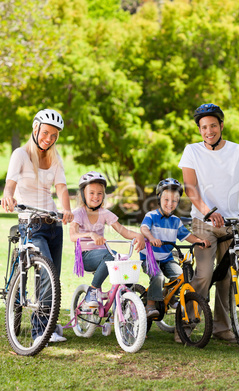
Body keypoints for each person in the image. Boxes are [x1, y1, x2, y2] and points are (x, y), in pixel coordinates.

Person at [178, 103, 239, 342]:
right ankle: (186, 324)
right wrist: (208, 212)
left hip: (231, 225)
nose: (209, 131)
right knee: (205, 274)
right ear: (199, 130)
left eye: (213, 125)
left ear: (221, 126)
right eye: (204, 127)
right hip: (203, 224)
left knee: (228, 278)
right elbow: (190, 188)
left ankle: (221, 327)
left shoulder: (238, 151)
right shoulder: (192, 151)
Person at [1, 108, 74, 344]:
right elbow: (10, 184)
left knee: (52, 276)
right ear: (35, 128)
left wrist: (67, 209)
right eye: (46, 133)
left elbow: (61, 187)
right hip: (30, 223)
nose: (49, 139)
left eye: (54, 135)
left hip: (53, 222)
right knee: (47, 270)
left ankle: (47, 325)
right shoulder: (20, 155)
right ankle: (39, 333)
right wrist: (8, 197)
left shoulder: (55, 158)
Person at [69, 171, 145, 309]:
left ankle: (121, 304)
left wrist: (138, 236)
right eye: (91, 193)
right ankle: (92, 291)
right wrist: (91, 234)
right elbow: (72, 236)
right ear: (83, 194)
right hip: (85, 256)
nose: (96, 196)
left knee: (122, 262)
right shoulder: (78, 213)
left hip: (104, 254)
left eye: (99, 193)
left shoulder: (104, 213)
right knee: (111, 255)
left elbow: (123, 231)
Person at [139, 178, 210, 319]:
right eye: (166, 200)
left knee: (181, 276)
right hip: (150, 258)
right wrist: (152, 238)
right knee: (157, 276)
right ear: (159, 198)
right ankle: (150, 305)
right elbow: (144, 228)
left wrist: (199, 241)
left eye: (174, 201)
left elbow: (187, 235)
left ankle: (170, 296)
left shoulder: (176, 221)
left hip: (167, 258)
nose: (170, 204)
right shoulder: (151, 216)